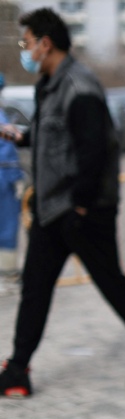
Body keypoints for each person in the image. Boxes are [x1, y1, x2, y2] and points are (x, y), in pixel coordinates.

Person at [0, 8, 125, 398]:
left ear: (45, 44)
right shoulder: (50, 85)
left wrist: (80, 206)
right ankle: (16, 370)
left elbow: (94, 150)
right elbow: (58, 139)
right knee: (36, 286)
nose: (24, 50)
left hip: (82, 211)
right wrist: (19, 136)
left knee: (111, 283)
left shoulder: (80, 87)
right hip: (53, 209)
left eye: (26, 43)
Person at [0, 72, 24, 287]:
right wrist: (17, 178)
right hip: (3, 180)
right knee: (6, 228)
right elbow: (7, 151)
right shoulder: (1, 118)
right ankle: (6, 277)